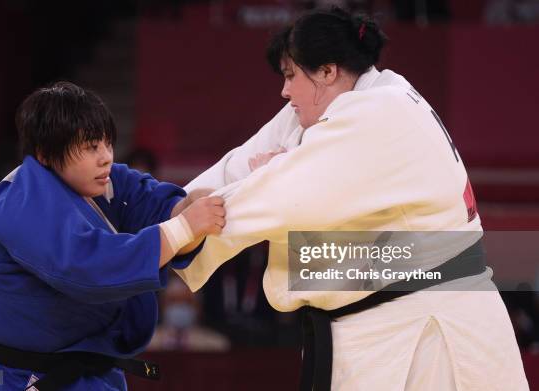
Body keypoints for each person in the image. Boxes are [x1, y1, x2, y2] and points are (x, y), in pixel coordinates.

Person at [174, 7, 529, 391]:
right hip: (384, 327)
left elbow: (277, 197)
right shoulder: (342, 101)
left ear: (328, 71)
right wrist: (167, 206)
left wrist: (173, 234)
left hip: (430, 332)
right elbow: (238, 166)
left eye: (292, 76)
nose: (284, 90)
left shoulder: (379, 110)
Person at [0, 81, 226, 391]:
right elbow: (93, 267)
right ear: (45, 153)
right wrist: (185, 227)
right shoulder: (22, 204)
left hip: (77, 372)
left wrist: (187, 206)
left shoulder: (101, 182)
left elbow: (155, 206)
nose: (105, 157)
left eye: (107, 143)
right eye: (91, 147)